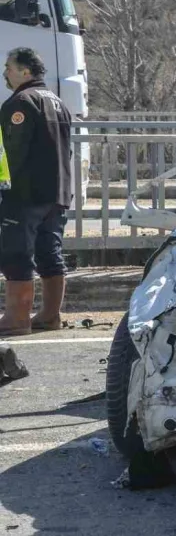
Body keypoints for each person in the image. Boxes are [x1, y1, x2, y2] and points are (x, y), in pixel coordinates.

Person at [0, 48, 72, 336]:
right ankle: (49, 316)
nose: (5, 72)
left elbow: (12, 152)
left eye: (9, 67)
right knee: (49, 252)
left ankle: (17, 318)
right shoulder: (57, 102)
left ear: (26, 72)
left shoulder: (20, 102)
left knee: (15, 253)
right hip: (57, 192)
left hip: (26, 193)